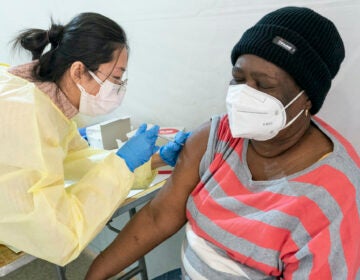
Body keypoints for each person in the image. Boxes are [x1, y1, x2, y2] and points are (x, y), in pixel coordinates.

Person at [85, 6, 360, 280]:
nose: (244, 96)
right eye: (239, 79)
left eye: (263, 85)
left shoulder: (334, 197)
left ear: (306, 98)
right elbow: (159, 217)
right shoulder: (217, 136)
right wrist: (93, 275)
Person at [0, 12, 189, 266]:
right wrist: (122, 164)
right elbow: (58, 235)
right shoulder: (27, 115)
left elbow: (80, 161)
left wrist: (150, 161)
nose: (119, 89)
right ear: (78, 71)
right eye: (116, 78)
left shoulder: (46, 102)